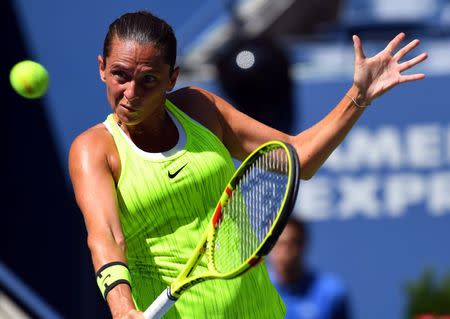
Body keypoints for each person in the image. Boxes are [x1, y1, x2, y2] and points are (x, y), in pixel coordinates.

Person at [68, 10, 427, 319]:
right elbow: (106, 236)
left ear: (171, 78)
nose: (131, 92)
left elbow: (297, 158)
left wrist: (357, 97)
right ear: (102, 69)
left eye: (148, 80)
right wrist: (122, 307)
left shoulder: (200, 109)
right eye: (120, 75)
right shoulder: (94, 149)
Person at [268, 218, 350, 319]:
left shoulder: (332, 293)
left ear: (303, 245)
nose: (284, 251)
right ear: (268, 247)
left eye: (291, 243)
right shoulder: (251, 294)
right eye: (279, 243)